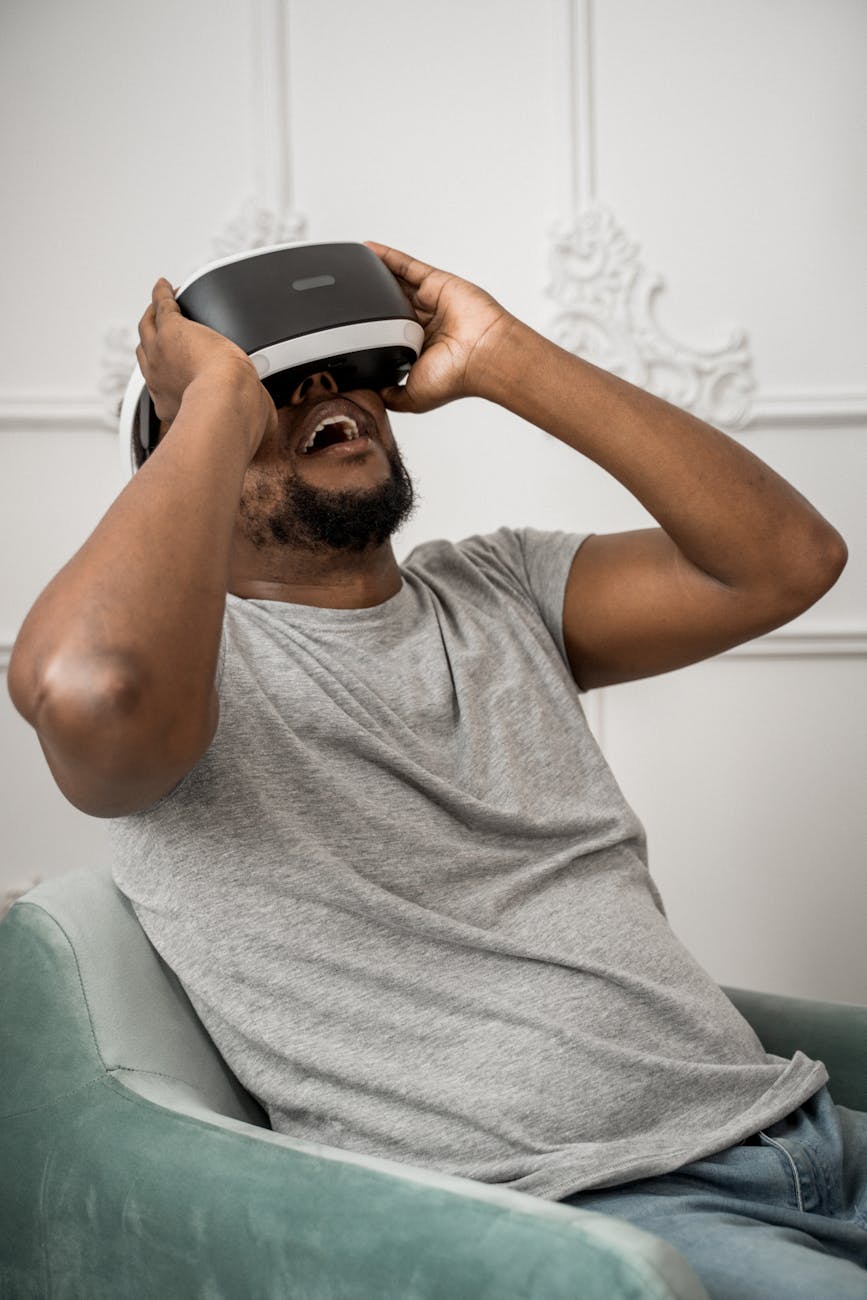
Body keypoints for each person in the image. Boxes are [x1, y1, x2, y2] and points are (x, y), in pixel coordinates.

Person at [8, 242, 865, 1297]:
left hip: (801, 1127)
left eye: (336, 372)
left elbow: (791, 559)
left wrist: (503, 353)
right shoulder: (184, 681)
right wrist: (216, 400)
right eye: (273, 385)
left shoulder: (501, 587)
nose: (320, 390)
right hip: (594, 1219)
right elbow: (92, 687)